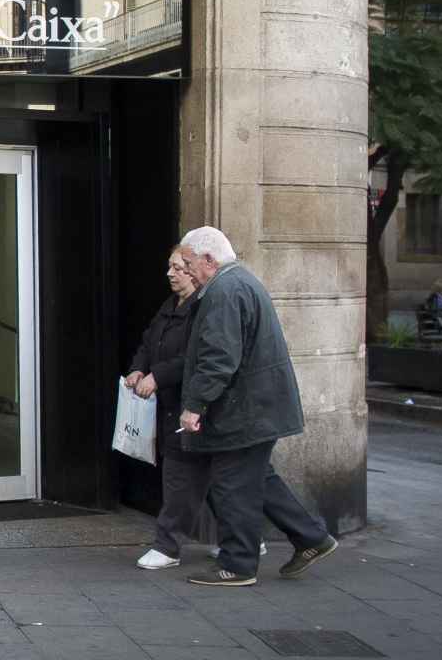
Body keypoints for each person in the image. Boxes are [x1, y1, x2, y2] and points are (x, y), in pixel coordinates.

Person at [175, 226, 338, 587]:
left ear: (208, 259)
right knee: (256, 478)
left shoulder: (224, 291)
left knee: (231, 485)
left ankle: (238, 563)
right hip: (259, 408)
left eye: (188, 263)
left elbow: (219, 358)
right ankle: (311, 538)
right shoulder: (237, 283)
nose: (185, 271)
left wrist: (194, 406)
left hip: (247, 411)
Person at [128, 245, 214, 570]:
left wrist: (157, 376)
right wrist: (138, 368)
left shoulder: (201, 309)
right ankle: (240, 535)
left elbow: (192, 357)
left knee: (181, 475)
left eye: (178, 268)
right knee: (206, 477)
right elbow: (149, 341)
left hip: (188, 406)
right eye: (170, 267)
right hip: (166, 406)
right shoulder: (169, 306)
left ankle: (167, 546)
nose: (170, 273)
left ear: (193, 272)